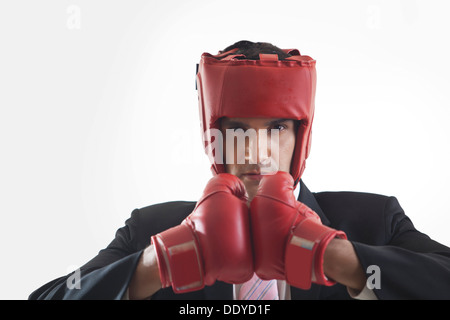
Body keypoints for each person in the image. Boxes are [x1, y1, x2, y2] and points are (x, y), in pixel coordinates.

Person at [29, 41, 450, 300]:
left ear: (300, 136)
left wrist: (340, 259)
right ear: (213, 136)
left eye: (276, 128)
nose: (256, 150)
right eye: (236, 130)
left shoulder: (372, 221)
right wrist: (156, 266)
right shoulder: (150, 229)